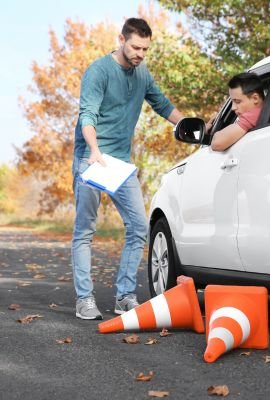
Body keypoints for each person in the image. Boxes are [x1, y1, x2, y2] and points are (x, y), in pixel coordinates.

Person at [71, 18, 183, 320]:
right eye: (135, 47)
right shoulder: (98, 71)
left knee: (138, 227)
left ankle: (124, 296)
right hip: (92, 158)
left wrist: (191, 126)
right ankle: (84, 299)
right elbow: (88, 115)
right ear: (122, 39)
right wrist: (94, 150)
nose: (140, 54)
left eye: (145, 49)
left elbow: (162, 104)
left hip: (120, 162)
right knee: (85, 231)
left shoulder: (142, 73)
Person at [210, 72, 265, 151]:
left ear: (255, 98)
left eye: (238, 101)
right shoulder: (267, 110)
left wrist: (215, 133)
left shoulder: (254, 115)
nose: (233, 108)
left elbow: (217, 143)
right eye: (232, 102)